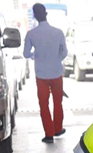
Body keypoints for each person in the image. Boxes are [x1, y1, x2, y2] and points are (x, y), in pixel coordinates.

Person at [23, 3, 67, 143]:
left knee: (44, 104)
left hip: (41, 75)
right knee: (57, 102)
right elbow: (64, 52)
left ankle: (49, 134)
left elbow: (25, 54)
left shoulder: (31, 34)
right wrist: (56, 59)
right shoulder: (58, 32)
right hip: (56, 72)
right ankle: (58, 128)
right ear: (46, 13)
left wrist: (35, 55)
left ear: (35, 16)